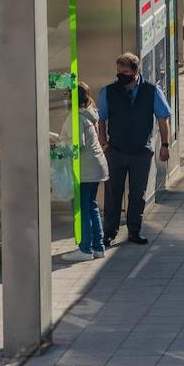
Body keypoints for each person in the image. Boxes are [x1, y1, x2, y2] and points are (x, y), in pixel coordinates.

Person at [97, 52, 172, 247]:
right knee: (113, 192)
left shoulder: (152, 91)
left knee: (138, 193)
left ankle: (134, 230)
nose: (121, 76)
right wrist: (104, 143)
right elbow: (101, 119)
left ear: (136, 71)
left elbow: (163, 119)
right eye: (118, 72)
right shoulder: (109, 91)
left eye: (125, 72)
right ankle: (109, 233)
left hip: (141, 151)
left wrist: (165, 145)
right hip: (116, 150)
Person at [62, 82, 109, 262]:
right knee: (91, 206)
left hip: (86, 170)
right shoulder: (89, 113)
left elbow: (77, 144)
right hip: (95, 167)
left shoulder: (76, 117)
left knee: (82, 208)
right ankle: (98, 247)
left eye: (66, 96)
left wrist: (58, 149)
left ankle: (85, 249)